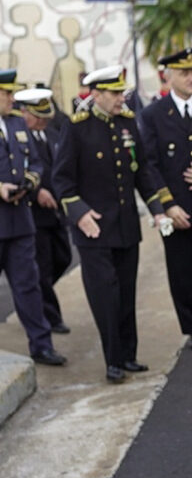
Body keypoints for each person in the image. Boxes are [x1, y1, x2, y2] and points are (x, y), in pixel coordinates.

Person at [53, 65, 170, 383]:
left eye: (122, 92)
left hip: (126, 227)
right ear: (96, 95)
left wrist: (158, 209)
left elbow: (142, 171)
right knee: (106, 296)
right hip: (94, 231)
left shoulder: (128, 123)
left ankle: (129, 355)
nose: (122, 98)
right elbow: (62, 180)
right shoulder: (77, 128)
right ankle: (112, 360)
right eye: (115, 93)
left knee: (127, 294)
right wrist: (80, 214)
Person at [140, 48, 192, 351]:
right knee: (181, 273)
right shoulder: (153, 114)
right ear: (168, 76)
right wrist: (167, 204)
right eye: (184, 73)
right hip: (176, 206)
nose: (191, 78)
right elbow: (149, 164)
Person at [0, 71, 67, 366]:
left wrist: (29, 182)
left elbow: (36, 161)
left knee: (29, 286)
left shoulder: (16, 122)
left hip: (19, 220)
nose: (12, 99)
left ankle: (41, 346)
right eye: (6, 94)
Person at [15, 88, 73, 333]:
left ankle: (36, 301)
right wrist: (36, 191)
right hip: (33, 213)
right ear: (25, 113)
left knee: (64, 258)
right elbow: (18, 172)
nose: (42, 120)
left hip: (55, 213)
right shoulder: (18, 138)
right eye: (37, 116)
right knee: (43, 267)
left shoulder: (50, 134)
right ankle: (50, 317)